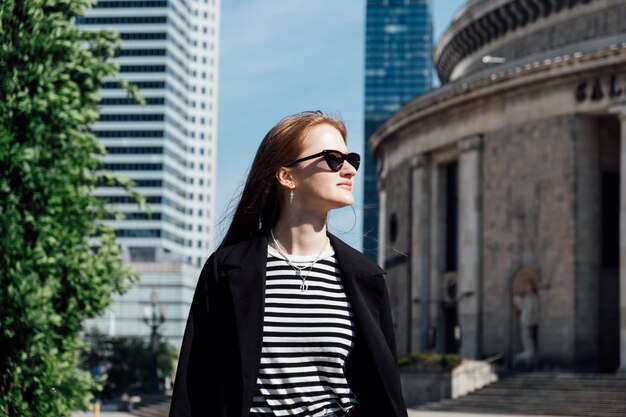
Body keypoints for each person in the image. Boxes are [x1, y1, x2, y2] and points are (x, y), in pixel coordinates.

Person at [169, 111, 408, 417]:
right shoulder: (228, 270)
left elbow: (385, 393)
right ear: (287, 176)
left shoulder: (367, 278)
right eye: (334, 159)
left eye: (352, 160)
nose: (348, 169)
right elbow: (195, 387)